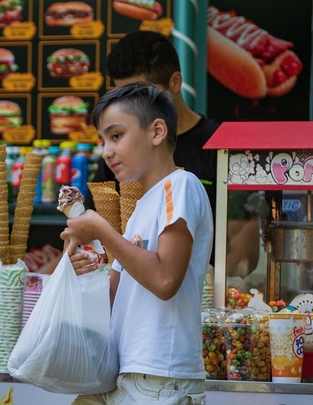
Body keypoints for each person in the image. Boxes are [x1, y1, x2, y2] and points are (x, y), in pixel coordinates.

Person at [62, 82, 213, 404]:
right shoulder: (143, 204)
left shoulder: (180, 185)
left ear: (157, 131)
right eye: (103, 140)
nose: (107, 151)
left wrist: (102, 230)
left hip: (160, 375)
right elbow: (115, 295)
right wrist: (82, 266)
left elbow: (164, 280)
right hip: (123, 369)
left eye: (116, 136)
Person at [80, 29, 218, 267]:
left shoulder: (212, 152)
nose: (127, 106)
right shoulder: (119, 161)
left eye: (138, 94)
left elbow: (165, 279)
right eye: (120, 95)